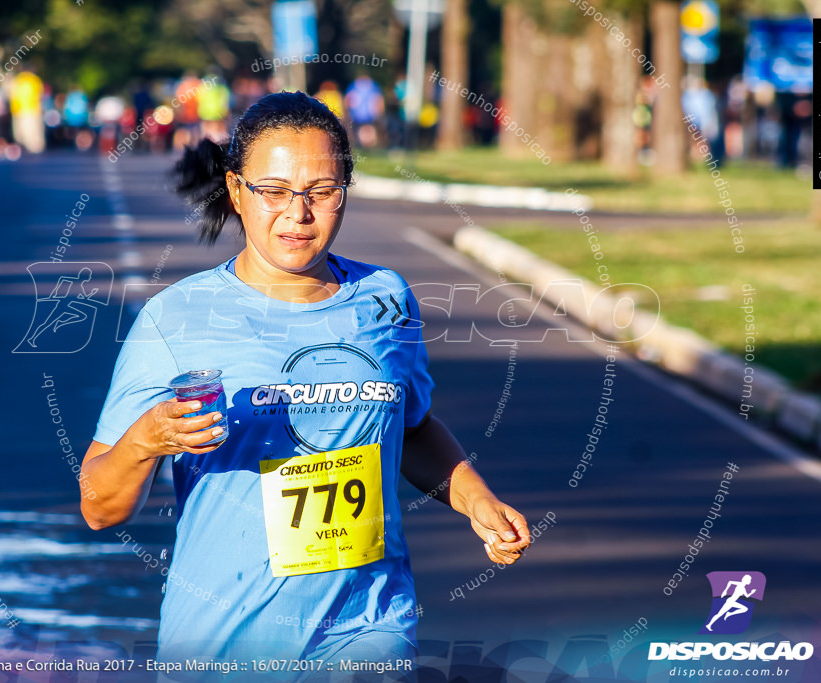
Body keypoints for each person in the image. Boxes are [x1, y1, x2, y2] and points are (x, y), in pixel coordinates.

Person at [81, 91, 530, 672]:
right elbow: (99, 506)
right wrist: (146, 439)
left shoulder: (386, 298)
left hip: (369, 629)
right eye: (273, 192)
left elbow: (411, 429)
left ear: (346, 191)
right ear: (237, 190)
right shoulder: (176, 317)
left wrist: (477, 501)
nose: (299, 214)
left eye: (321, 192)